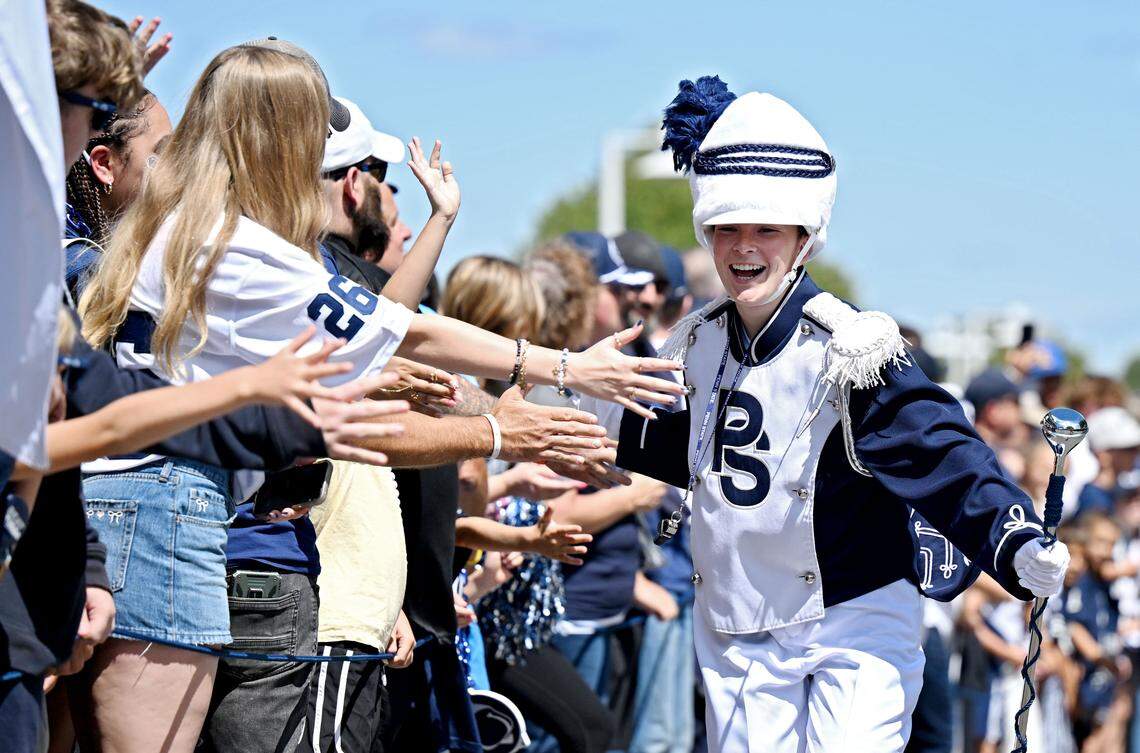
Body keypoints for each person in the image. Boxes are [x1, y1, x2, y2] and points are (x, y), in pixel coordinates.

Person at [572, 75, 1072, 752]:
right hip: (739, 620)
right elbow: (647, 440)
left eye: (765, 229)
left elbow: (943, 452)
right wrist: (552, 387)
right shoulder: (694, 343)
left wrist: (1012, 538)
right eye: (726, 227)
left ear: (805, 237)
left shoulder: (851, 347)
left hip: (856, 619)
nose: (743, 246)